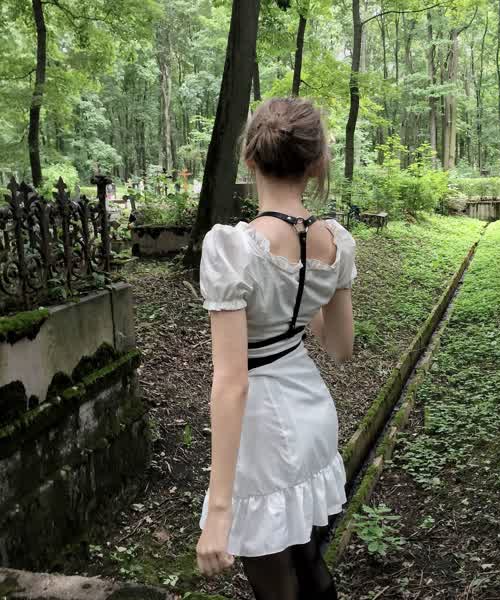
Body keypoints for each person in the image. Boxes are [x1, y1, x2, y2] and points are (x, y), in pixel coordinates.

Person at [195, 97, 357, 600]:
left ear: (250, 158)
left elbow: (232, 382)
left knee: (276, 583)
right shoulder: (335, 241)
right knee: (307, 559)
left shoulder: (233, 248)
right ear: (316, 164)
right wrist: (301, 299)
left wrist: (219, 511)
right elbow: (341, 347)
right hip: (312, 414)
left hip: (263, 432)